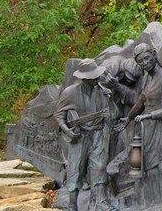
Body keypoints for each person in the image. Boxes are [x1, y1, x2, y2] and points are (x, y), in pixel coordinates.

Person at [114, 43, 162, 204]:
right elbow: (141, 100)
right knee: (146, 162)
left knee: (161, 161)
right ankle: (150, 197)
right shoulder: (147, 77)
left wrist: (149, 116)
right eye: (140, 61)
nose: (144, 63)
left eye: (146, 59)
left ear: (154, 55)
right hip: (147, 126)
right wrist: (128, 118)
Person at [54, 58, 118, 211]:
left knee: (100, 167)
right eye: (92, 77)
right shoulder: (70, 93)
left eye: (96, 76)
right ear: (84, 78)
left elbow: (114, 114)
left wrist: (110, 98)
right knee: (75, 170)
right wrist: (68, 131)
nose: (96, 79)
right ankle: (72, 205)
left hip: (97, 134)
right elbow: (58, 115)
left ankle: (99, 203)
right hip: (80, 136)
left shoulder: (102, 91)